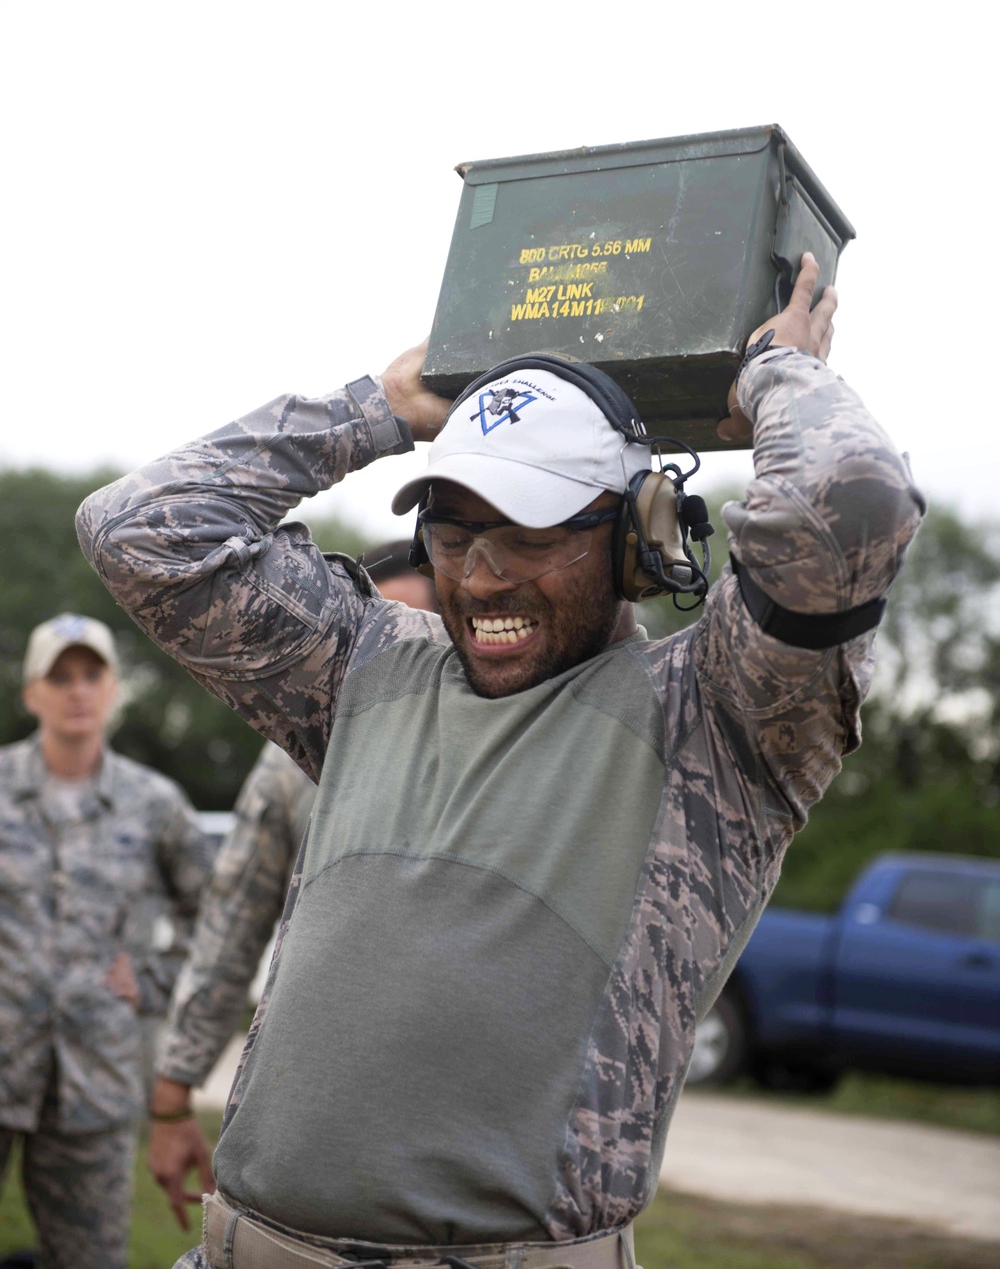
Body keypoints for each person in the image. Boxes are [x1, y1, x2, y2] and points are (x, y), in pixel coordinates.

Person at [76, 257, 923, 1269]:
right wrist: (382, 408)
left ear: (637, 537)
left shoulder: (718, 722)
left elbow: (854, 499)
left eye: (525, 531)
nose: (478, 575)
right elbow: (137, 531)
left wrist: (776, 377)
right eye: (451, 528)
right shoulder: (363, 670)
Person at [146, 543, 437, 1229]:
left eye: (427, 630)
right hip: (309, 1124)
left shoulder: (513, 754)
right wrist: (171, 1095)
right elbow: (231, 927)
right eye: (386, 627)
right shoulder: (290, 767)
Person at [0, 614, 213, 1269]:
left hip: (94, 1079)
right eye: (59, 677)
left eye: (92, 675)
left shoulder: (155, 803)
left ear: (115, 688)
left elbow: (216, 910)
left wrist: (153, 980)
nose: (77, 691)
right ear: (32, 693)